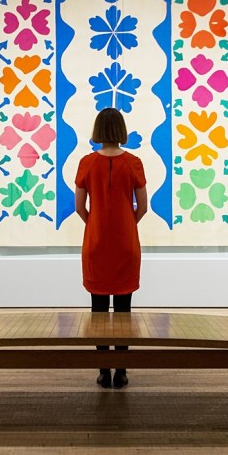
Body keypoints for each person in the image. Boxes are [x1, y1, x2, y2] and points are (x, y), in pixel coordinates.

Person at [74, 107, 147, 389]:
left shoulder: (86, 163)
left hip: (95, 242)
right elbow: (143, 207)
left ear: (97, 131)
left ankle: (103, 371)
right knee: (124, 311)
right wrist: (126, 223)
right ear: (121, 131)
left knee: (99, 311)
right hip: (126, 243)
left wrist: (95, 224)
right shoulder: (134, 163)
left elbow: (80, 207)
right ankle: (122, 371)